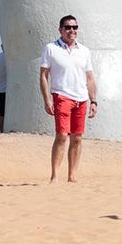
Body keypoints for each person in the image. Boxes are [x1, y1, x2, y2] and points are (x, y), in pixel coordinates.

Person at [40, 15, 96, 183]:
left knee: (77, 137)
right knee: (62, 135)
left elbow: (90, 78)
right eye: (68, 27)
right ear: (60, 29)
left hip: (81, 98)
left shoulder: (84, 51)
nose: (72, 30)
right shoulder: (51, 48)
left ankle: (72, 176)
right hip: (61, 95)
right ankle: (55, 176)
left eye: (75, 27)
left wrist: (93, 100)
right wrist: (47, 99)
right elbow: (43, 75)